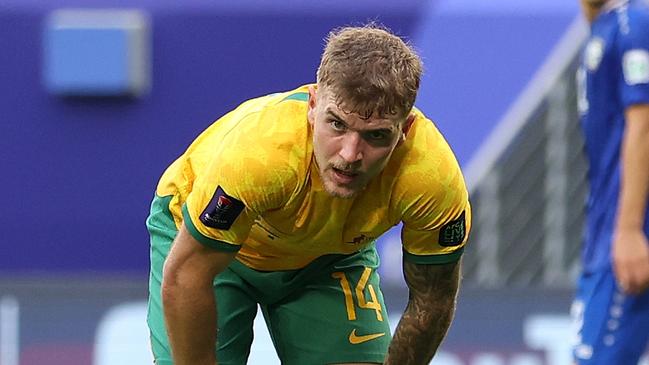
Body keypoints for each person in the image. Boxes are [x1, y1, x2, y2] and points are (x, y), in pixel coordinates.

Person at [146, 24, 471, 365]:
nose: (349, 155)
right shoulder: (261, 155)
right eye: (337, 125)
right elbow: (187, 273)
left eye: (375, 136)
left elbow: (432, 299)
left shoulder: (431, 178)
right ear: (313, 105)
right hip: (208, 246)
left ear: (404, 130)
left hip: (327, 258)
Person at [572, 0, 649, 363]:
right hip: (606, 230)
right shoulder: (607, 27)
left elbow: (645, 122)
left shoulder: (635, 22)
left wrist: (630, 230)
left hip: (626, 236)